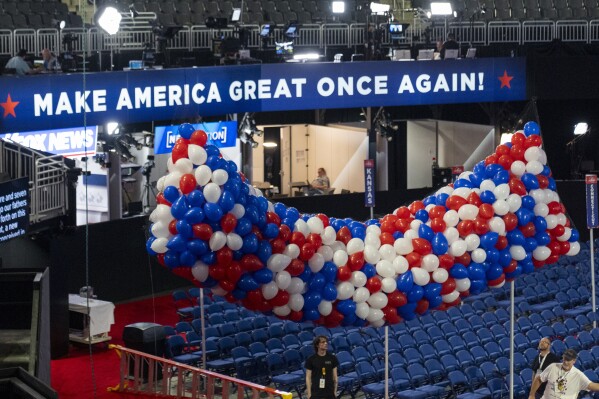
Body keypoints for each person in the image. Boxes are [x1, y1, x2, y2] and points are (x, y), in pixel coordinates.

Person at [528, 349, 599, 399]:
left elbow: (592, 385)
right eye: (564, 359)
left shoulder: (578, 375)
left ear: (574, 361)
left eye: (568, 360)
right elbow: (538, 379)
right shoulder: (553, 366)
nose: (565, 362)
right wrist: (531, 395)